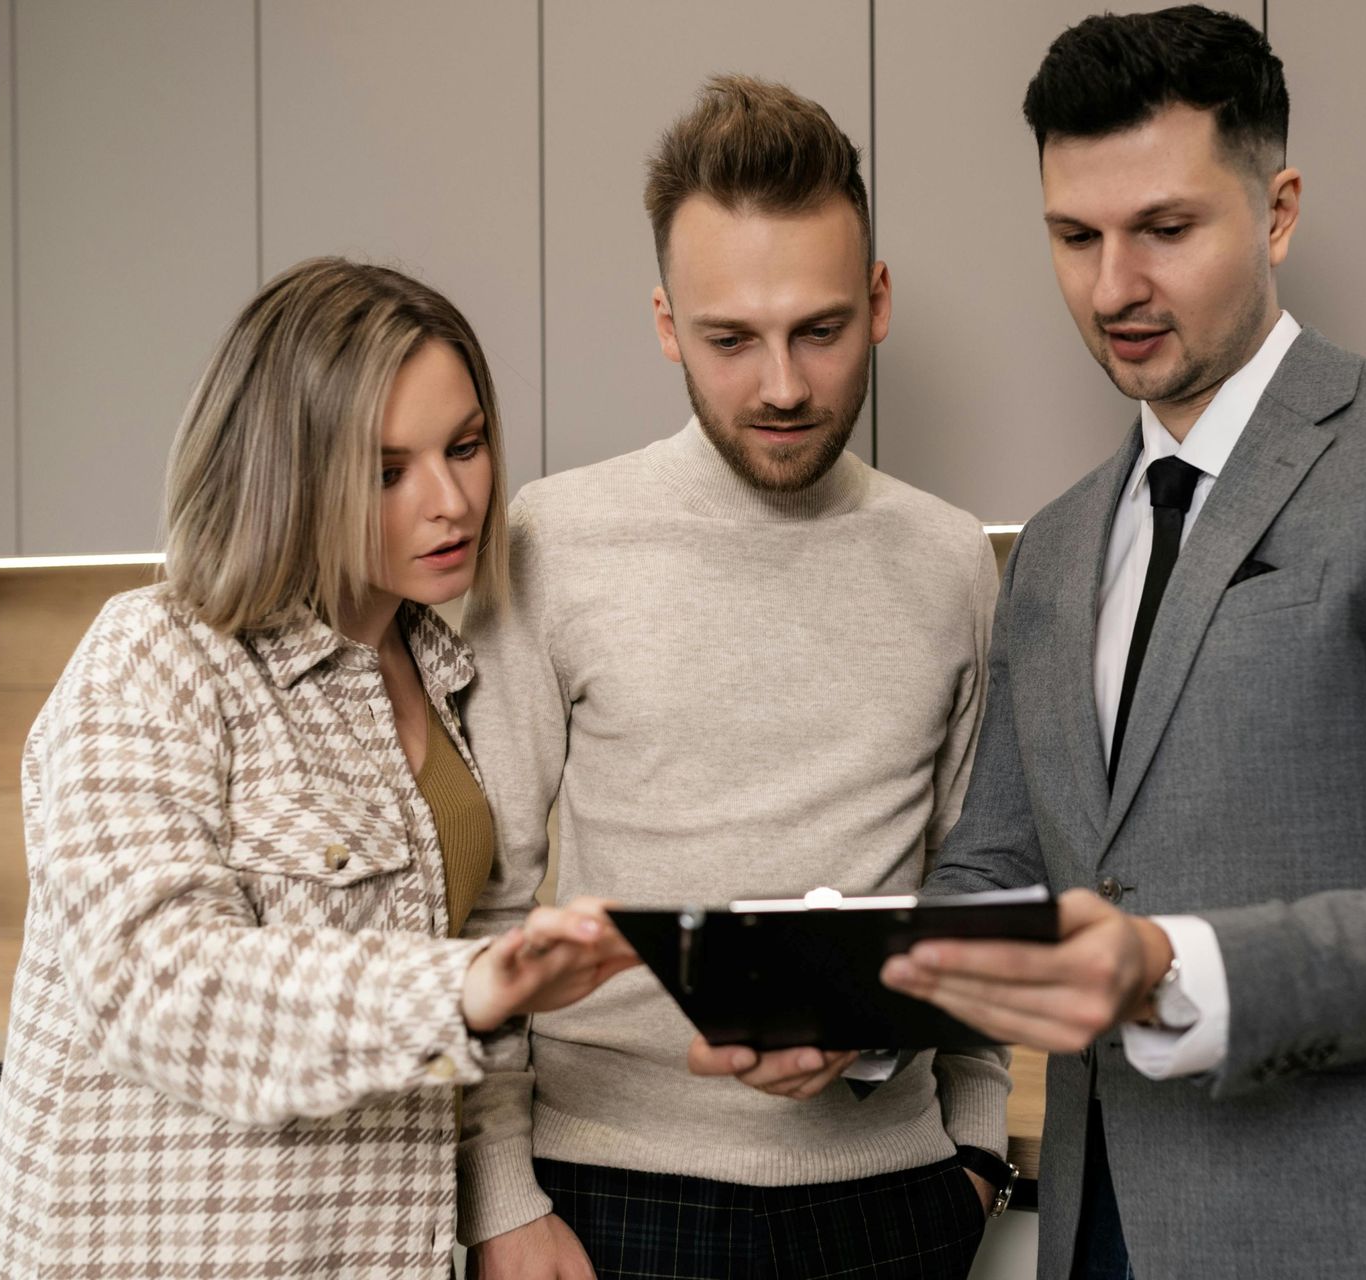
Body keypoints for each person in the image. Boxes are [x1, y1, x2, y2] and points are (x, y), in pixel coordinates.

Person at [880, 8, 1366, 1278]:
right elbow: (994, 869)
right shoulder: (1051, 548)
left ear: (1275, 212)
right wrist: (841, 1012)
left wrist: (1168, 964)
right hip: (1102, 1227)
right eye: (1075, 236)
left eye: (1165, 230)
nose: (1114, 287)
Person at [0, 258, 636, 1279]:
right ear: (289, 471)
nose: (451, 500)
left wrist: (507, 1199)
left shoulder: (447, 671)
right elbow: (159, 983)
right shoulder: (154, 655)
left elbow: (474, 966)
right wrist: (467, 983)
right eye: (387, 471)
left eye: (466, 446)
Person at [460, 76, 1011, 1280]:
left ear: (877, 303)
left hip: (890, 1197)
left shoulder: (952, 556)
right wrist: (502, 1194)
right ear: (667, 322)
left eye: (819, 329)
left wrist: (975, 1151)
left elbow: (971, 876)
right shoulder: (553, 538)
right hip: (609, 1192)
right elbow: (492, 901)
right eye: (729, 338)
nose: (780, 385)